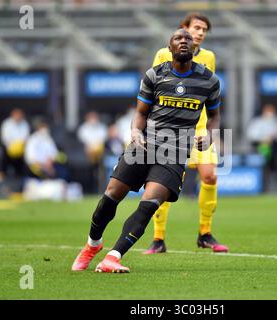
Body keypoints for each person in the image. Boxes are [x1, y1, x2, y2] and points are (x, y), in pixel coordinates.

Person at [71, 29, 221, 273]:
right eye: (178, 39)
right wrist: (135, 132)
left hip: (175, 151)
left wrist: (211, 135)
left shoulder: (209, 81)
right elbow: (140, 113)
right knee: (111, 194)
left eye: (188, 39)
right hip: (145, 144)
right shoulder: (154, 75)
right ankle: (92, 245)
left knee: (149, 203)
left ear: (194, 47)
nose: (184, 41)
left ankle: (113, 256)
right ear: (169, 48)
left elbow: (214, 116)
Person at [144, 12, 228, 254]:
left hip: (199, 127)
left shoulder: (209, 57)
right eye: (197, 28)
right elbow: (153, 87)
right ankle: (158, 239)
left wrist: (211, 129)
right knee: (164, 183)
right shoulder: (163, 54)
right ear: (184, 28)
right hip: (170, 128)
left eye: (204, 30)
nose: (201, 33)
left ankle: (205, 233)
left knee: (210, 176)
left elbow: (208, 93)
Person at [0, 109, 30, 183]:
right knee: (5, 157)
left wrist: (19, 144)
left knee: (22, 159)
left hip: (20, 148)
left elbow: (25, 136)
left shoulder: (24, 124)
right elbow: (5, 137)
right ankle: (3, 173)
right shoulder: (7, 123)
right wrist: (11, 145)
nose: (19, 117)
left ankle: (19, 174)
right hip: (8, 146)